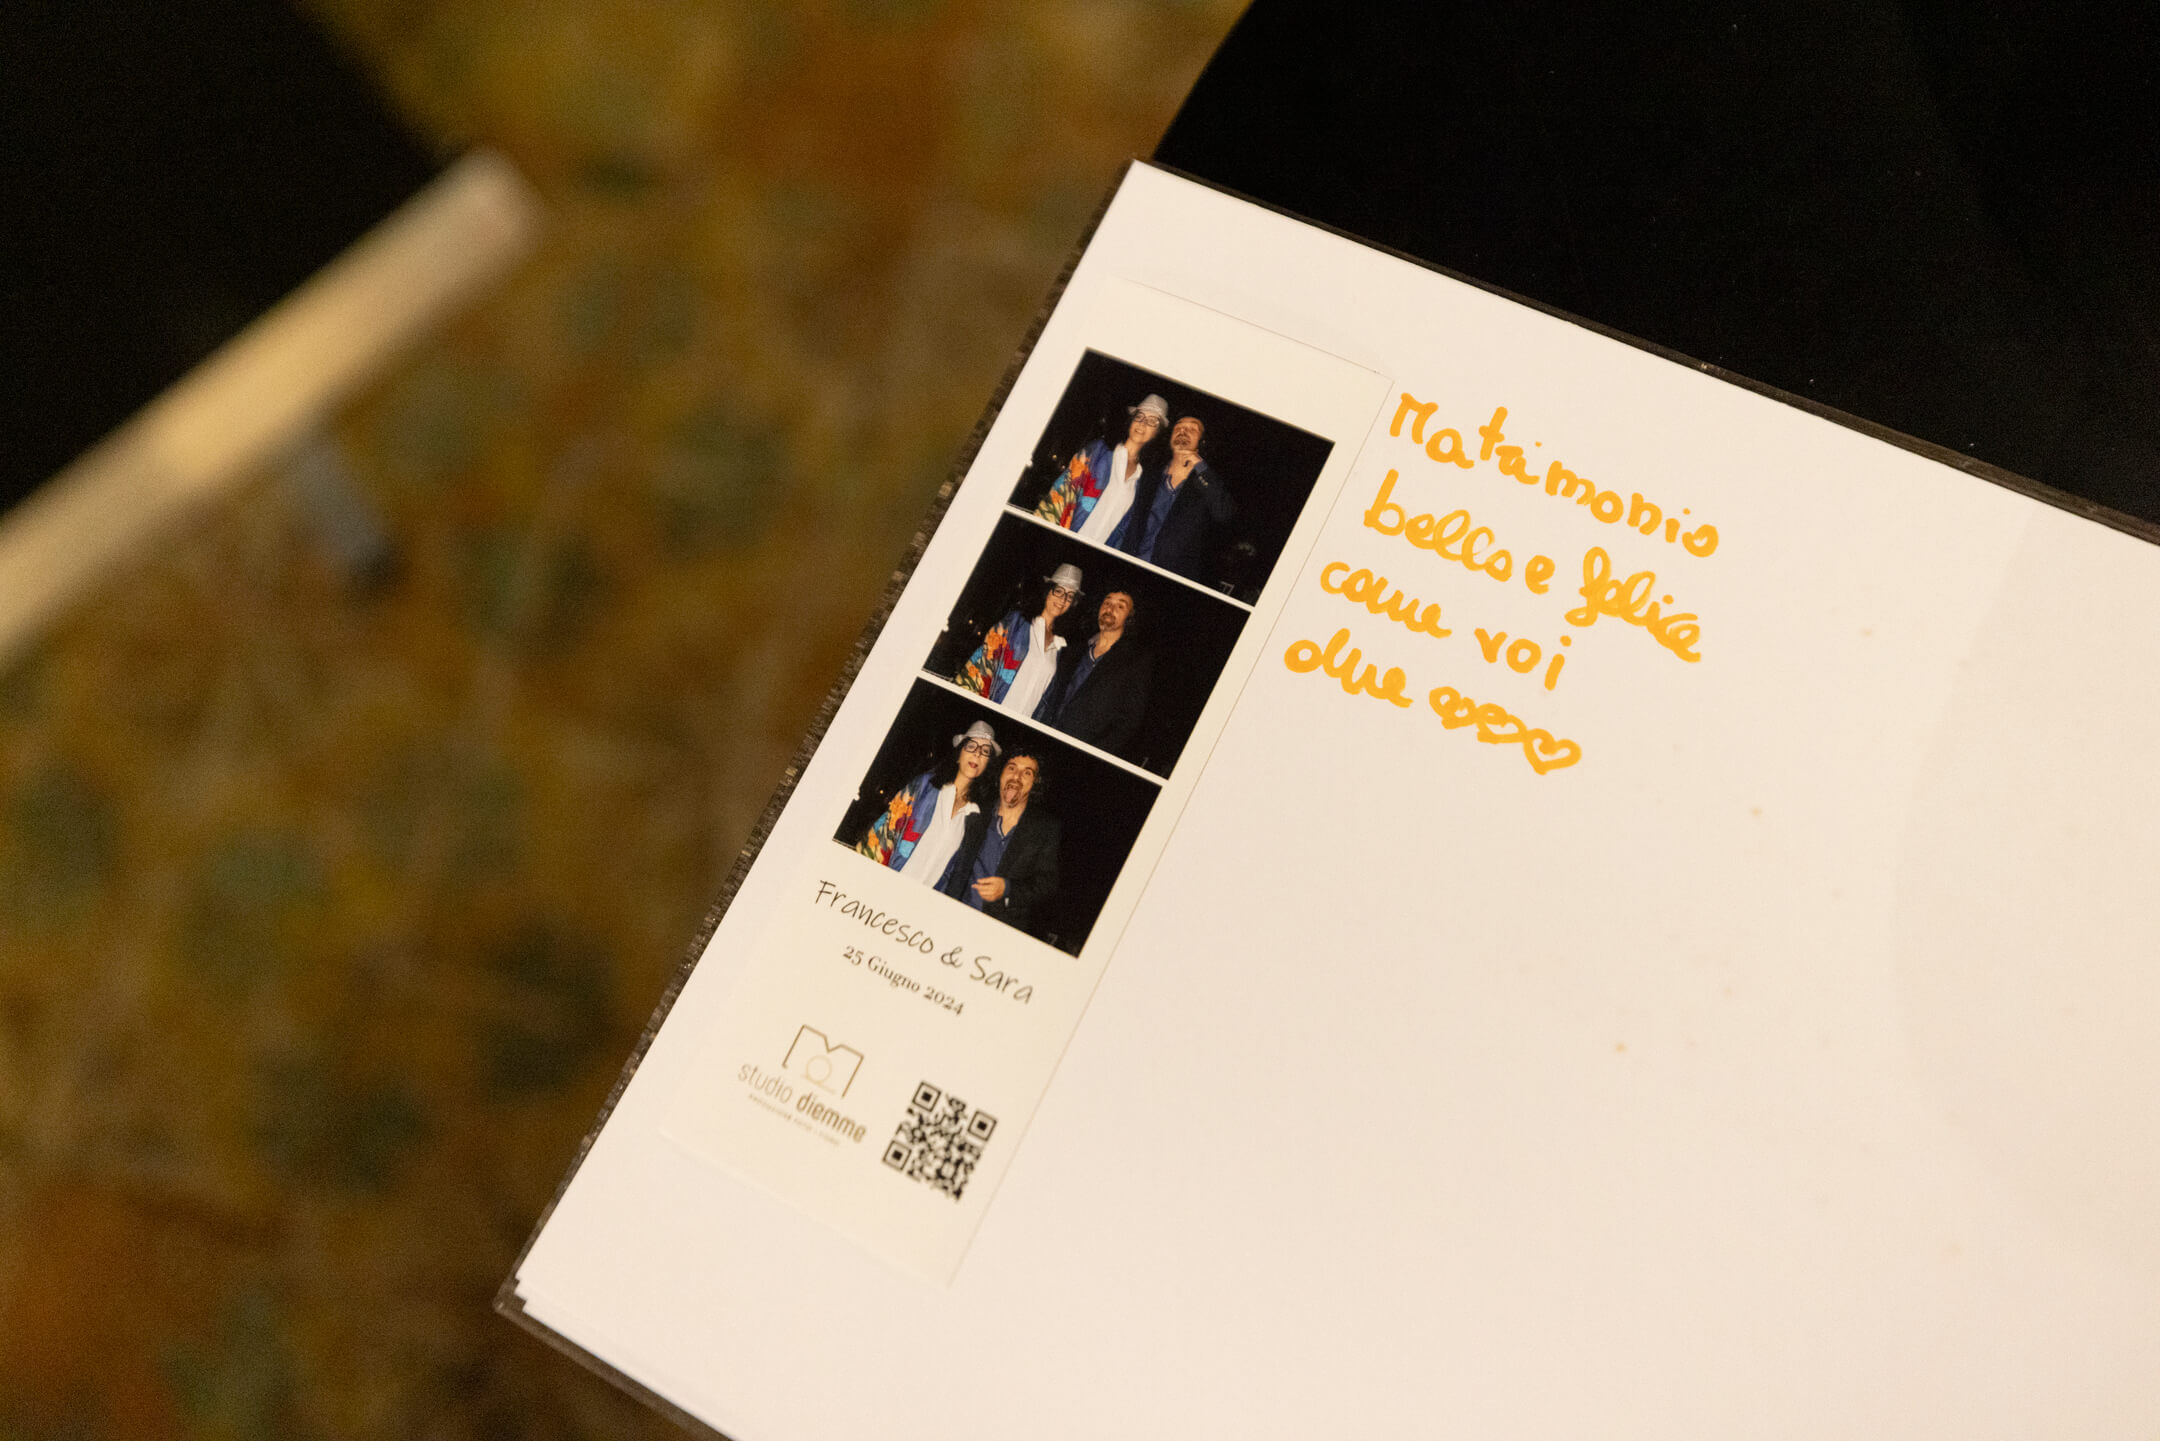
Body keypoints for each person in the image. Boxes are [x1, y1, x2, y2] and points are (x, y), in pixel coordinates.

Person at [857, 720, 997, 886]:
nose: (977, 754)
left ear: (988, 764)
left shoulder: (976, 814)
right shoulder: (924, 786)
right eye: (971, 746)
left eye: (985, 751)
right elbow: (885, 830)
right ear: (959, 754)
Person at [939, 749, 1060, 934]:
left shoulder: (1045, 828)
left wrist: (1008, 889)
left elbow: (1047, 883)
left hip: (1001, 930)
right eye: (1011, 768)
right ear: (1001, 773)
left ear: (1036, 782)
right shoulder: (974, 811)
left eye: (1027, 773)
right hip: (953, 917)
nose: (1016, 777)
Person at [1110, 413, 1235, 582]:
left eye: (1192, 429)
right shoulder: (1148, 474)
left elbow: (1224, 514)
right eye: (1179, 427)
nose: (1183, 431)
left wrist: (1201, 467)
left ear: (1203, 441)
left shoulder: (1207, 483)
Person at [1034, 586, 1152, 760]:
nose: (1110, 609)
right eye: (1107, 602)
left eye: (1120, 606)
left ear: (1131, 617)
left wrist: (1091, 752)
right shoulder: (1074, 648)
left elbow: (1129, 722)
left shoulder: (1135, 662)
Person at [1034, 393, 1168, 541]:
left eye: (1152, 421)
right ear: (1131, 421)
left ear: (1158, 432)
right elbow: (1062, 491)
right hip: (1064, 539)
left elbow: (1124, 530)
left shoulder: (1142, 478)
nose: (1142, 423)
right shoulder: (1098, 451)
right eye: (1139, 416)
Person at [955, 563, 1078, 719]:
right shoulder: (1016, 622)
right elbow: (983, 661)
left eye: (1070, 596)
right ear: (1047, 590)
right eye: (1059, 590)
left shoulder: (1060, 645)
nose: (1063, 599)